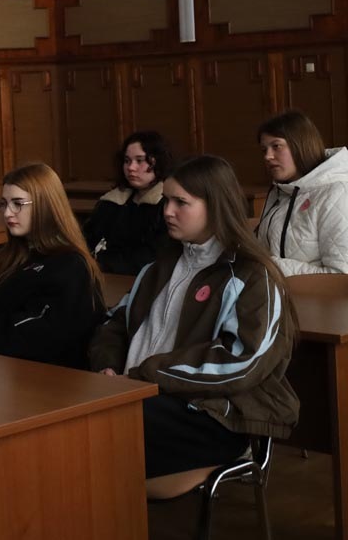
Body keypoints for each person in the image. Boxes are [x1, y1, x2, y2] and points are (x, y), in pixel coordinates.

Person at [89, 155, 298, 496]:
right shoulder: (157, 267)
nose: (167, 211)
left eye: (180, 202)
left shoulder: (251, 275)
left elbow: (241, 360)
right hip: (138, 395)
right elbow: (115, 323)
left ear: (215, 207)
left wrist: (144, 376)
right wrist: (108, 367)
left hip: (213, 415)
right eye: (166, 200)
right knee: (75, 425)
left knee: (93, 435)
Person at [0, 163, 104, 368]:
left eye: (18, 203)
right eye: (3, 204)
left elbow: (31, 337)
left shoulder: (71, 266)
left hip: (38, 377)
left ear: (45, 206)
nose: (8, 213)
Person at [256, 110, 348, 275]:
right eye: (264, 150)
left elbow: (341, 275)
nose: (268, 156)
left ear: (300, 145)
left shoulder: (338, 194)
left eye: (276, 146)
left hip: (316, 294)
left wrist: (270, 265)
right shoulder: (282, 191)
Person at [83, 131, 174, 275]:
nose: (131, 167)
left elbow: (153, 257)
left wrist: (101, 262)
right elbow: (86, 240)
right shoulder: (111, 202)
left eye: (140, 160)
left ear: (157, 162)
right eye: (127, 161)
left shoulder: (167, 205)